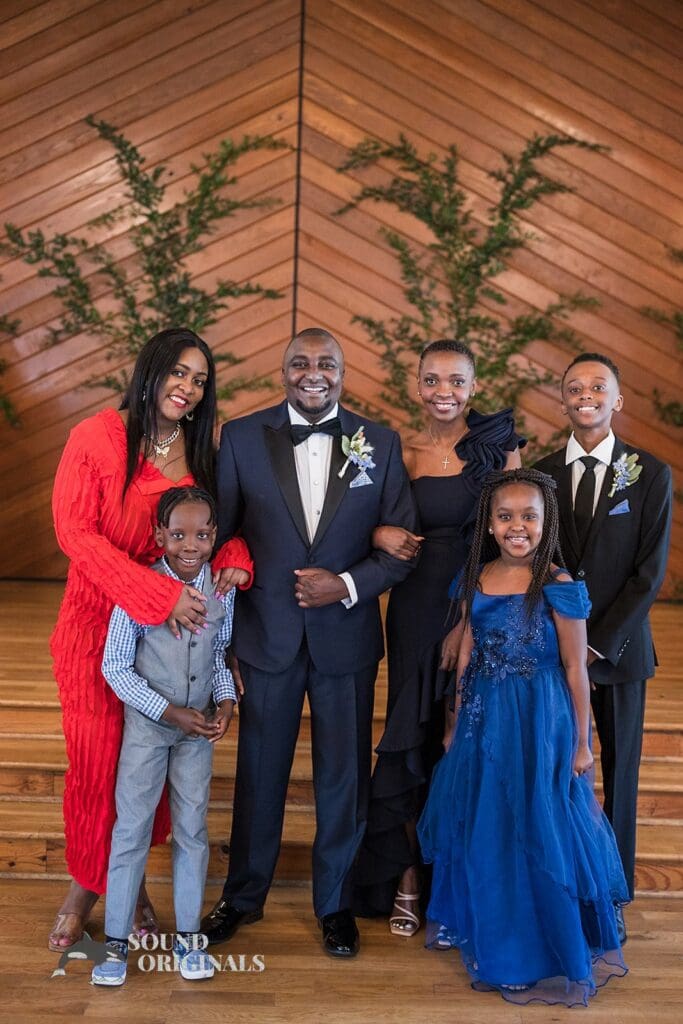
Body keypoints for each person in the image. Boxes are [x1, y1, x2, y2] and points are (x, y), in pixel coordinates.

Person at [200, 327, 417, 958]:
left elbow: (403, 548)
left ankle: (336, 905)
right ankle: (242, 896)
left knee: (342, 779)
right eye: (300, 362)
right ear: (283, 371)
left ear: (344, 373)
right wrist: (227, 623)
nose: (312, 372)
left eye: (326, 363)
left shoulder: (379, 440)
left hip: (346, 637)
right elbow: (223, 532)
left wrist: (346, 583)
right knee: (258, 775)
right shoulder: (240, 436)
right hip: (266, 636)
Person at [48, 328, 253, 951]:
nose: (187, 388)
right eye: (178, 373)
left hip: (174, 642)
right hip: (97, 625)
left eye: (199, 380)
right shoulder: (97, 437)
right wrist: (153, 593)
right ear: (151, 370)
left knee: (150, 765)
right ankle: (88, 887)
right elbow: (75, 534)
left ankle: (127, 882)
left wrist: (236, 556)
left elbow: (226, 525)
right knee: (96, 764)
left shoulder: (203, 448)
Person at [418, 468, 629, 1006]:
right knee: (488, 826)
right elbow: (466, 654)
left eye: (529, 517)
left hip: (540, 721)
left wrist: (583, 743)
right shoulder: (477, 578)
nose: (518, 527)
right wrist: (454, 722)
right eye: (506, 516)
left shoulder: (558, 586)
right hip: (485, 720)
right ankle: (498, 942)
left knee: (538, 826)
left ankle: (540, 948)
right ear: (489, 524)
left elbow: (576, 669)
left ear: (545, 523)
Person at [353, 339, 522, 934]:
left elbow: (517, 532)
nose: (443, 392)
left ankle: (463, 884)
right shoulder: (398, 448)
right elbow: (369, 516)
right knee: (412, 736)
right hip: (416, 604)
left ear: (473, 387)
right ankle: (406, 878)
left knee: (469, 742)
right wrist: (378, 536)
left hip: (482, 600)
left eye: (456, 380)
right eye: (432, 380)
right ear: (417, 385)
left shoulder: (500, 446)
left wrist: (473, 620)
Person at [535, 353, 673, 939]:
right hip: (550, 650)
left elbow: (649, 573)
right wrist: (566, 644)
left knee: (619, 769)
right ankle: (559, 875)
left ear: (618, 400)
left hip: (620, 654)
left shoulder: (650, 472)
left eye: (598, 387)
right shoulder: (540, 473)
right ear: (562, 401)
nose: (585, 395)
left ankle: (611, 887)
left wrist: (597, 646)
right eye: (574, 387)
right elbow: (535, 556)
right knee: (552, 765)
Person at [91, 487, 236, 986]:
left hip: (198, 733)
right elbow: (115, 665)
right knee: (130, 828)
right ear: (159, 536)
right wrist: (168, 710)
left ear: (214, 536)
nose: (190, 544)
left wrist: (226, 702)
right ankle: (114, 945)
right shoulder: (140, 588)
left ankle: (189, 938)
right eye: (178, 535)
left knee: (193, 832)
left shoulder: (223, 590)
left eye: (201, 534)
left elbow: (219, 654)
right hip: (151, 730)